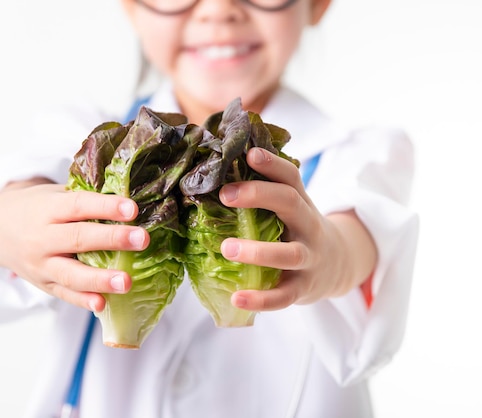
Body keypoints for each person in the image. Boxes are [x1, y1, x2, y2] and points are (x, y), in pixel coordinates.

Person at [0, 0, 418, 417]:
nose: (219, 9)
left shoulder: (358, 154)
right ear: (131, 7)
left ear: (318, 5)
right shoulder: (74, 133)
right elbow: (22, 188)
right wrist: (12, 223)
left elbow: (362, 236)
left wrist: (332, 258)